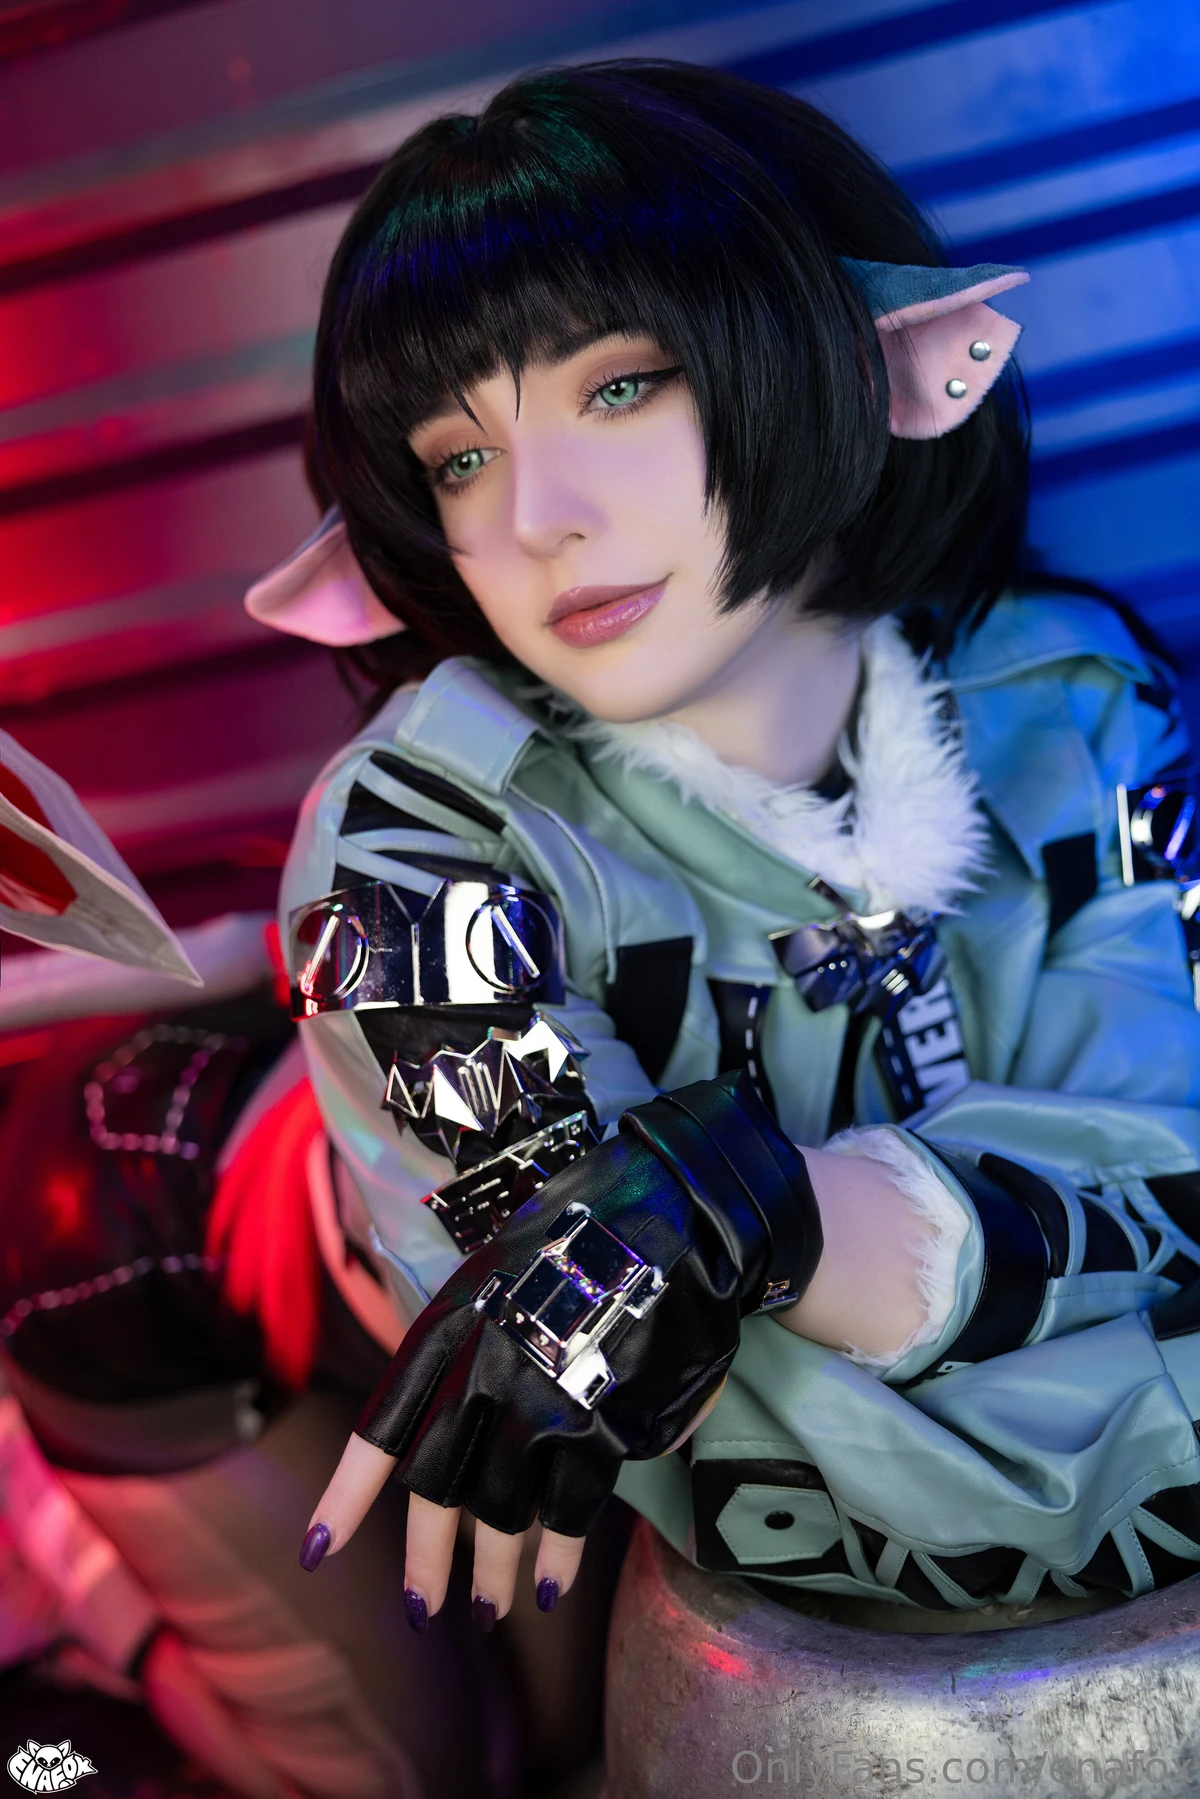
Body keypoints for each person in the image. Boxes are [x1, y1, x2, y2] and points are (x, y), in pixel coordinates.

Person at [257, 57, 1200, 1638]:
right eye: (460, 457)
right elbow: (810, 1495)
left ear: (838, 354)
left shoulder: (1077, 699)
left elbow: (1177, 1154)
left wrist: (777, 1211)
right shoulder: (417, 855)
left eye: (620, 385)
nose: (537, 517)